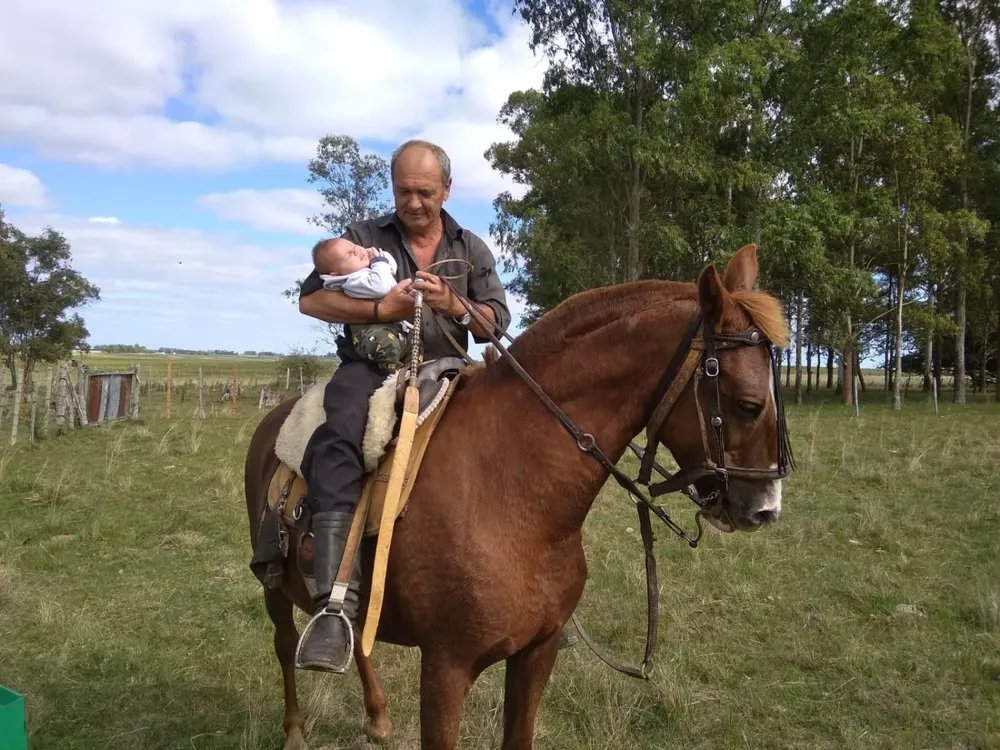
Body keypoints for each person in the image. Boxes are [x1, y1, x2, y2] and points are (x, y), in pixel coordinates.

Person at [294, 139, 513, 672]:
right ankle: (334, 602)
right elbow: (309, 300)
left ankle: (521, 584)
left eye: (425, 192)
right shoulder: (363, 238)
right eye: (404, 192)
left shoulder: (472, 247)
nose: (414, 203)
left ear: (447, 190)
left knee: (514, 440)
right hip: (371, 369)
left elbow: (496, 323)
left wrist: (453, 302)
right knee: (342, 432)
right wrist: (379, 308)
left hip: (453, 369)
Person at [313, 238, 412, 374]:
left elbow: (392, 268)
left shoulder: (371, 270)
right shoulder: (353, 280)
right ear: (336, 273)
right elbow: (381, 287)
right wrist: (378, 262)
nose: (358, 250)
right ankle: (393, 372)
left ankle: (412, 367)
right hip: (371, 330)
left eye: (354, 246)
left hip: (394, 326)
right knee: (386, 345)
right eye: (349, 254)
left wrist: (380, 256)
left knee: (415, 341)